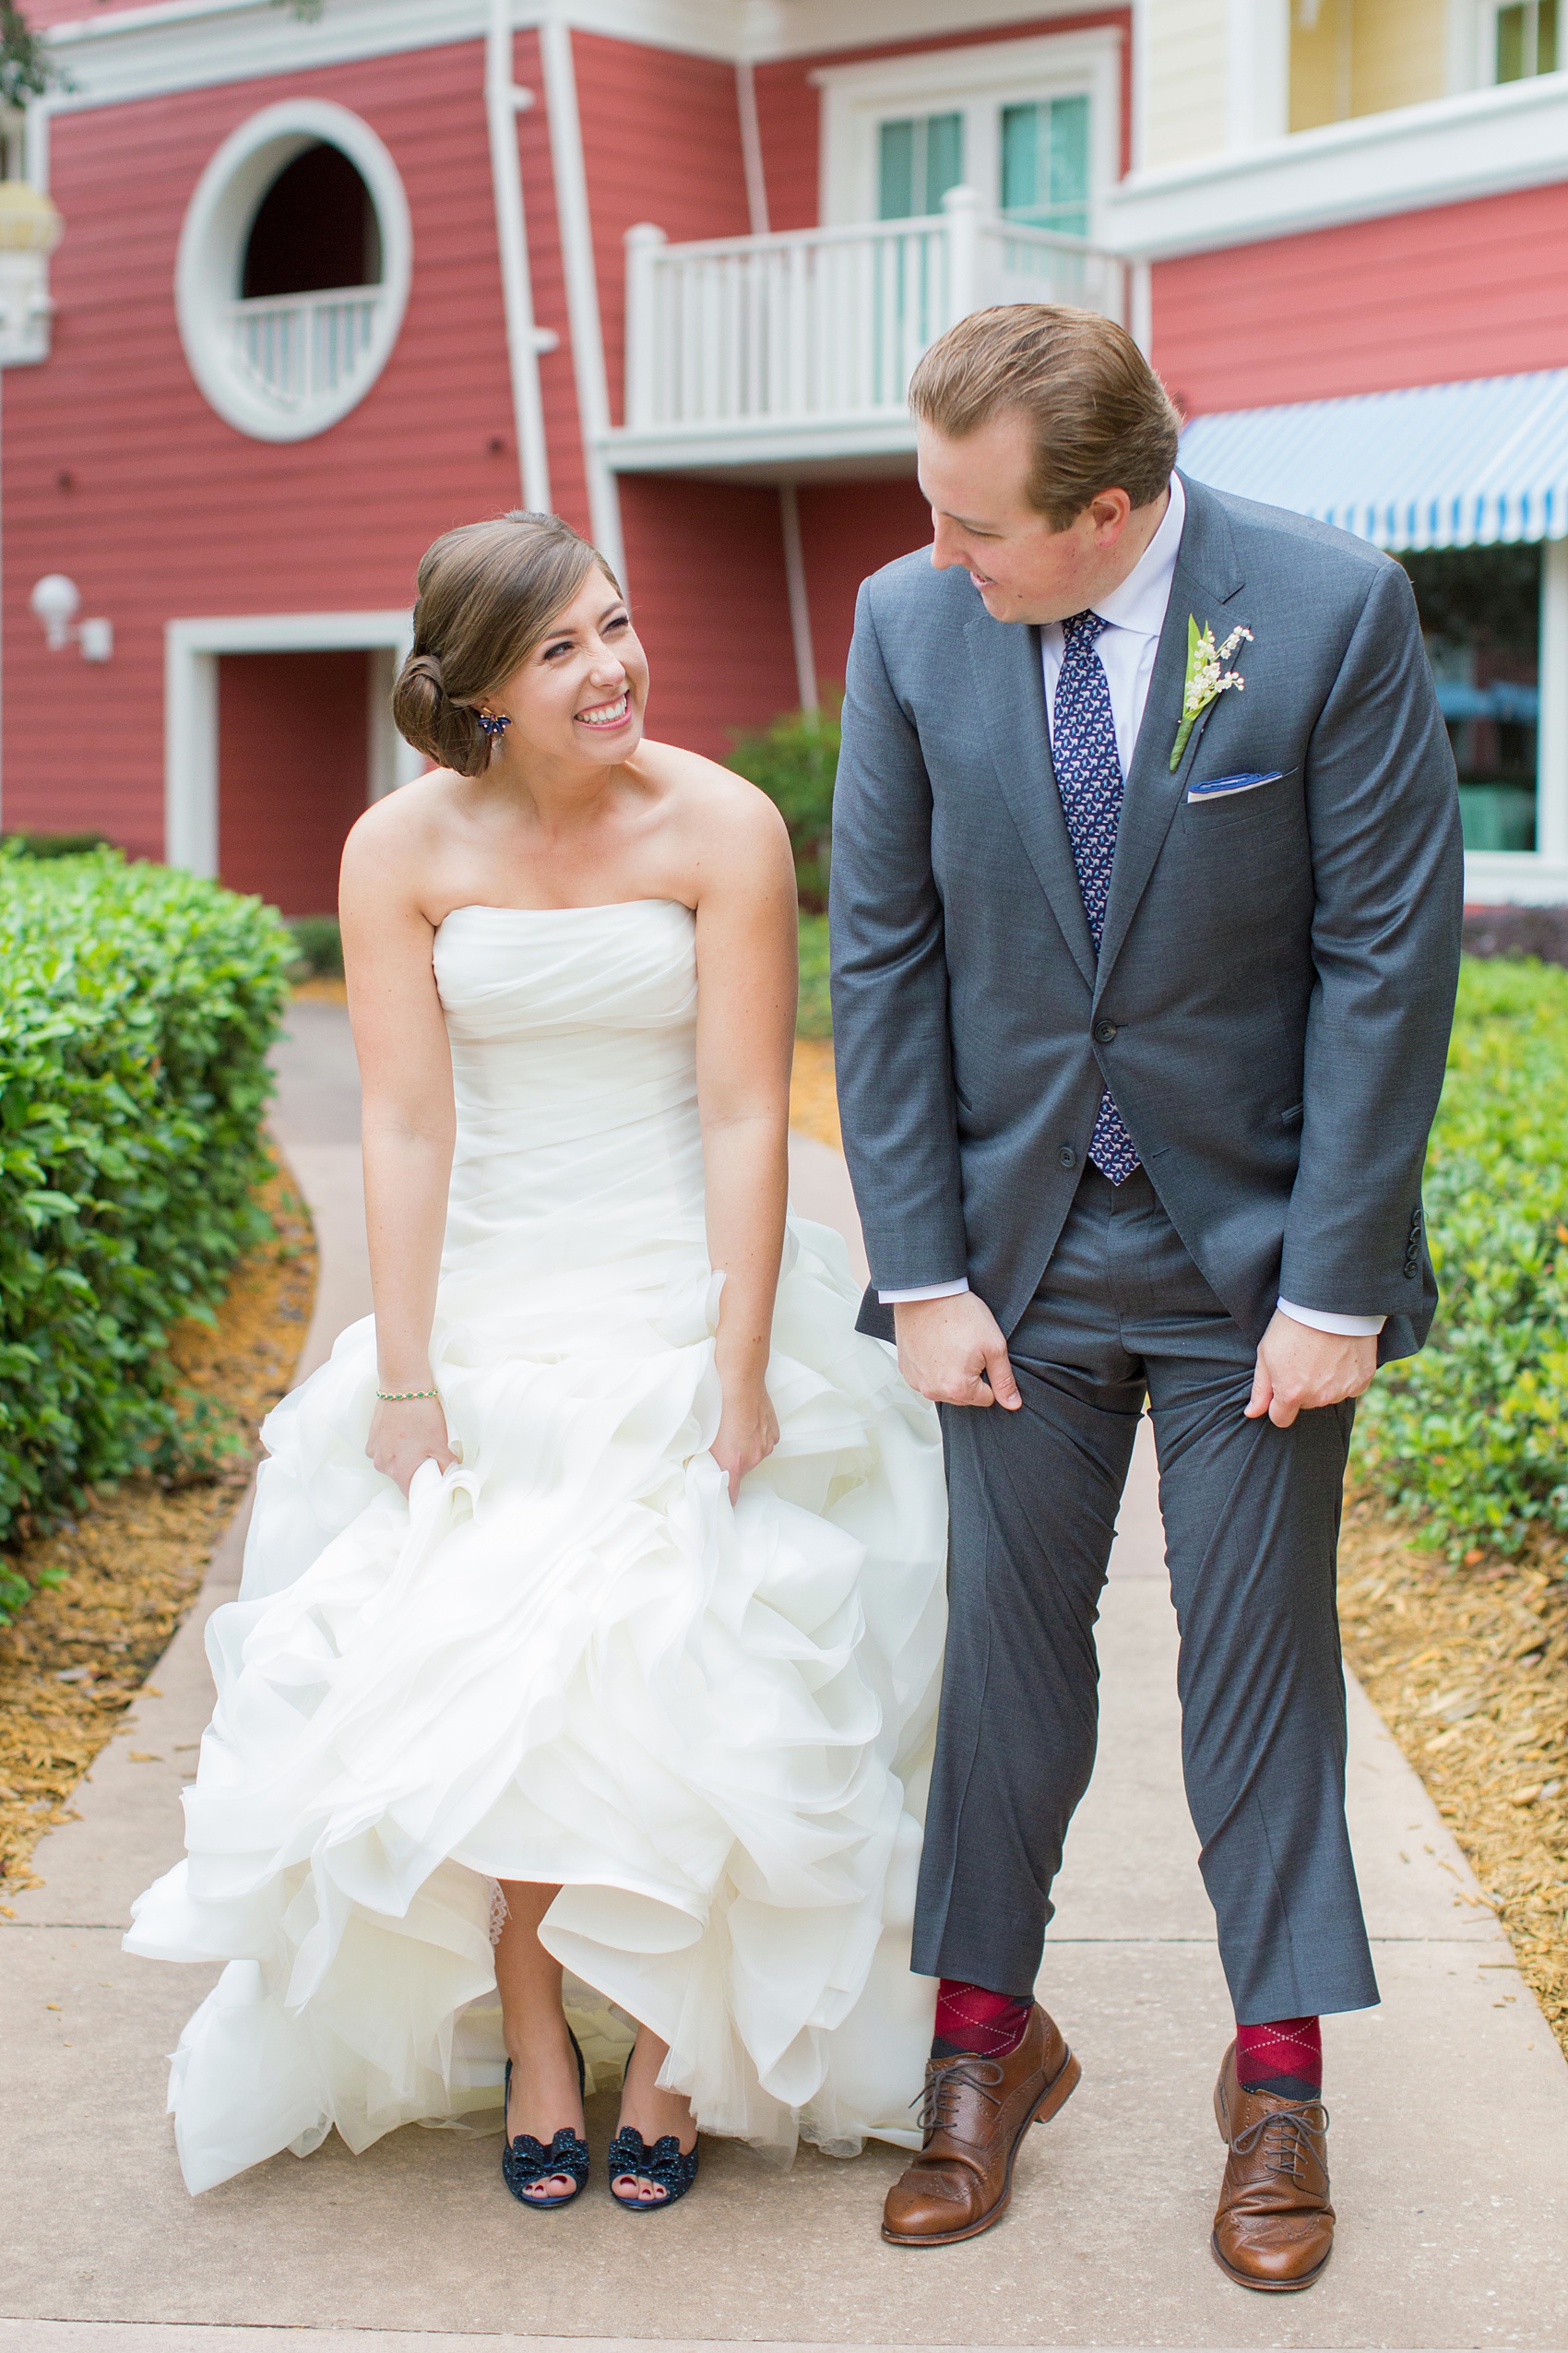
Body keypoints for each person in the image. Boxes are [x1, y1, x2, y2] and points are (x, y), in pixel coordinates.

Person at [126, 510, 948, 2208]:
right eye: (563, 646)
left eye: (619, 625)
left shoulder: (722, 824)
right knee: (479, 1667)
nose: (614, 667)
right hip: (492, 1294)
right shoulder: (395, 848)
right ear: (483, 690)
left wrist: (737, 1366)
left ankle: (669, 2048)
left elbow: (744, 1111)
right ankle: (535, 2023)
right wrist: (410, 1372)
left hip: (680, 1285)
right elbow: (410, 1124)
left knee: (687, 1654)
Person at [829, 305, 1463, 2286]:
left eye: (976, 520)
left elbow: (1386, 958)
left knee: (1253, 1672)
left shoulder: (1329, 608)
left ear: (1110, 513)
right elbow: (883, 960)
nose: (939, 550)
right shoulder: (907, 624)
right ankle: (980, 2053)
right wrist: (919, 1267)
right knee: (1003, 1678)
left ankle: (1276, 2084)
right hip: (1007, 1260)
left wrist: (1335, 1284)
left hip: (1254, 1265)